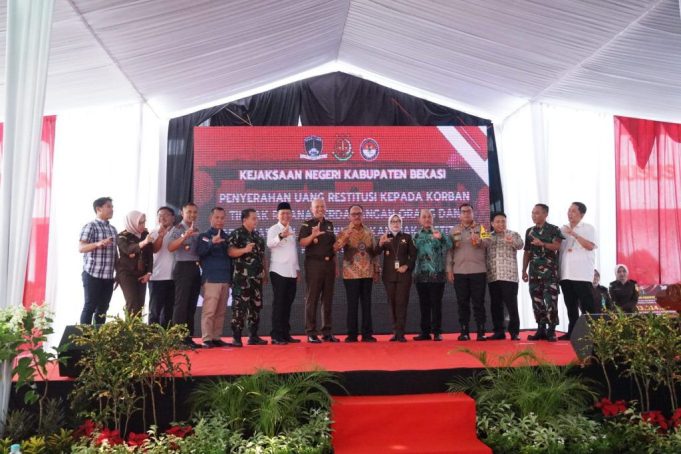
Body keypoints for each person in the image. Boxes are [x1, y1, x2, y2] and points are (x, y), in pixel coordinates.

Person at [298, 199, 341, 343]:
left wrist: (336, 263)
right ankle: (311, 332)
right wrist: (313, 235)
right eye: (317, 207)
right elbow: (302, 243)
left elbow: (332, 247)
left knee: (327, 299)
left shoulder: (329, 224)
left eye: (322, 206)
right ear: (311, 209)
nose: (320, 209)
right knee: (312, 298)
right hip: (314, 265)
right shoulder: (307, 224)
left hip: (329, 265)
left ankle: (327, 332)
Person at [336, 205, 380, 343]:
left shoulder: (369, 231)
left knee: (367, 304)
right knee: (352, 304)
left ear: (362, 215)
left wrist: (377, 270)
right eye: (354, 214)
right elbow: (335, 248)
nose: (357, 216)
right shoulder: (344, 231)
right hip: (351, 274)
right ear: (349, 216)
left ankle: (367, 334)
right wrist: (345, 237)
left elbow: (375, 252)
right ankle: (352, 334)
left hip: (367, 272)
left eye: (359, 214)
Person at [446, 203, 490, 341]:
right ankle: (464, 331)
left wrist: (479, 241)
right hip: (459, 271)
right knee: (462, 303)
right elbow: (450, 251)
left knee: (478, 302)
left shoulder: (481, 228)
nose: (466, 214)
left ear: (473, 213)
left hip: (478, 271)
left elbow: (488, 242)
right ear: (460, 215)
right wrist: (449, 270)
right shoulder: (454, 230)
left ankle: (481, 331)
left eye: (469, 211)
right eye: (463, 212)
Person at [522, 204, 564, 342]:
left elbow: (557, 246)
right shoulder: (529, 231)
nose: (534, 215)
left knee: (551, 300)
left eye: (537, 213)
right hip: (534, 272)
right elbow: (527, 252)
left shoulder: (554, 229)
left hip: (549, 272)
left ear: (545, 214)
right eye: (532, 213)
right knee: (537, 300)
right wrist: (524, 270)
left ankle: (551, 330)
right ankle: (541, 329)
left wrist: (543, 244)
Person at [228, 208, 268, 346]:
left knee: (255, 307)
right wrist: (244, 250)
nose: (256, 220)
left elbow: (262, 257)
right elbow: (230, 252)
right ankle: (236, 337)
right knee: (240, 308)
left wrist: (265, 273)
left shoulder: (258, 236)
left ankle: (253, 336)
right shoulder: (237, 234)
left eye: (256, 218)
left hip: (256, 278)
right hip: (242, 279)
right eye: (253, 218)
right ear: (244, 220)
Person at [558, 202, 597, 340]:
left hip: (581, 274)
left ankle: (592, 334)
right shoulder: (562, 229)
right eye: (569, 210)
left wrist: (574, 234)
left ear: (582, 214)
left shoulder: (588, 228)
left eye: (573, 211)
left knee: (587, 306)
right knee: (570, 306)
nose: (570, 213)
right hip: (566, 273)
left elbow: (590, 246)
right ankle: (572, 333)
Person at [413, 209, 452, 341]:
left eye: (429, 217)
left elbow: (450, 245)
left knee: (436, 304)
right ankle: (425, 332)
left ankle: (437, 332)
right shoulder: (415, 236)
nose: (427, 219)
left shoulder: (439, 232)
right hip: (420, 275)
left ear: (433, 219)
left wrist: (441, 238)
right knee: (424, 305)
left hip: (437, 275)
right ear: (419, 220)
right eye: (424, 217)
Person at [78, 197, 118, 325]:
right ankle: (84, 336)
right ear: (98, 209)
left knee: (103, 309)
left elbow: (115, 254)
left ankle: (99, 336)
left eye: (112, 207)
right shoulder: (90, 226)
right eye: (108, 206)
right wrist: (97, 244)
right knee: (89, 307)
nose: (112, 209)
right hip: (92, 274)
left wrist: (118, 273)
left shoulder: (113, 229)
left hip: (108, 277)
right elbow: (81, 248)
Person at [196, 207, 232, 348]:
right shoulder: (204, 236)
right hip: (211, 279)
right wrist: (212, 242)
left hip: (225, 279)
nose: (219, 220)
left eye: (222, 218)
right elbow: (200, 252)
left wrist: (231, 279)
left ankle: (216, 337)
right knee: (209, 311)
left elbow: (231, 259)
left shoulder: (227, 237)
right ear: (210, 218)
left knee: (221, 311)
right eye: (217, 217)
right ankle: (206, 338)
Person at [485, 212, 524, 340]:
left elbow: (520, 245)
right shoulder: (487, 236)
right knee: (496, 305)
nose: (501, 224)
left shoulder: (513, 234)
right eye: (498, 221)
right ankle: (499, 331)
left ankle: (514, 332)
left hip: (509, 276)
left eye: (503, 221)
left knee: (511, 305)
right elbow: (480, 245)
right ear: (492, 223)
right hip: (493, 275)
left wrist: (511, 241)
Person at [267, 202, 301, 345]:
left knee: (288, 304)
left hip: (291, 272)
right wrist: (281, 235)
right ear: (277, 215)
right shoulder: (273, 229)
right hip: (278, 271)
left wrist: (297, 269)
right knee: (279, 304)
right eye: (282, 213)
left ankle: (286, 334)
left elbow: (293, 252)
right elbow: (270, 244)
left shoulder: (291, 229)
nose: (286, 216)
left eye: (288, 213)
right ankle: (276, 335)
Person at [168, 202, 201, 348]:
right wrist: (184, 236)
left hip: (195, 268)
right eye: (189, 212)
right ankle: (178, 339)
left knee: (191, 305)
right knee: (181, 305)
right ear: (182, 213)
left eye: (195, 212)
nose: (192, 215)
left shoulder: (197, 230)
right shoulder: (177, 229)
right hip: (182, 267)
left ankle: (188, 338)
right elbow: (170, 247)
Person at [379, 214, 416, 342]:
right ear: (389, 224)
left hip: (403, 276)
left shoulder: (407, 237)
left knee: (401, 303)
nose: (396, 223)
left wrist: (407, 266)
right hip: (389, 276)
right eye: (393, 221)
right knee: (392, 304)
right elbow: (375, 252)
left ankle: (401, 333)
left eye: (398, 221)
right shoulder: (385, 237)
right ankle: (395, 332)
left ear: (401, 223)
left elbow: (414, 255)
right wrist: (380, 243)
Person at [116, 210, 154, 316]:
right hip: (126, 273)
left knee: (140, 305)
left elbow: (149, 255)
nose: (143, 225)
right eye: (140, 223)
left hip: (142, 273)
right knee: (132, 303)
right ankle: (129, 327)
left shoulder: (145, 234)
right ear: (132, 222)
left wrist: (149, 273)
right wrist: (144, 242)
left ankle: (137, 326)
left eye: (144, 222)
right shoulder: (122, 236)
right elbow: (128, 249)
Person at [148, 206, 176, 326]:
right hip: (157, 277)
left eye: (166, 215)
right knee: (155, 311)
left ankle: (166, 335)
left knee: (169, 311)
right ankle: (152, 336)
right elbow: (154, 249)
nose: (162, 218)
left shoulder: (177, 232)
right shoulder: (153, 232)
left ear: (173, 218)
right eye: (160, 215)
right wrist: (160, 236)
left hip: (174, 277)